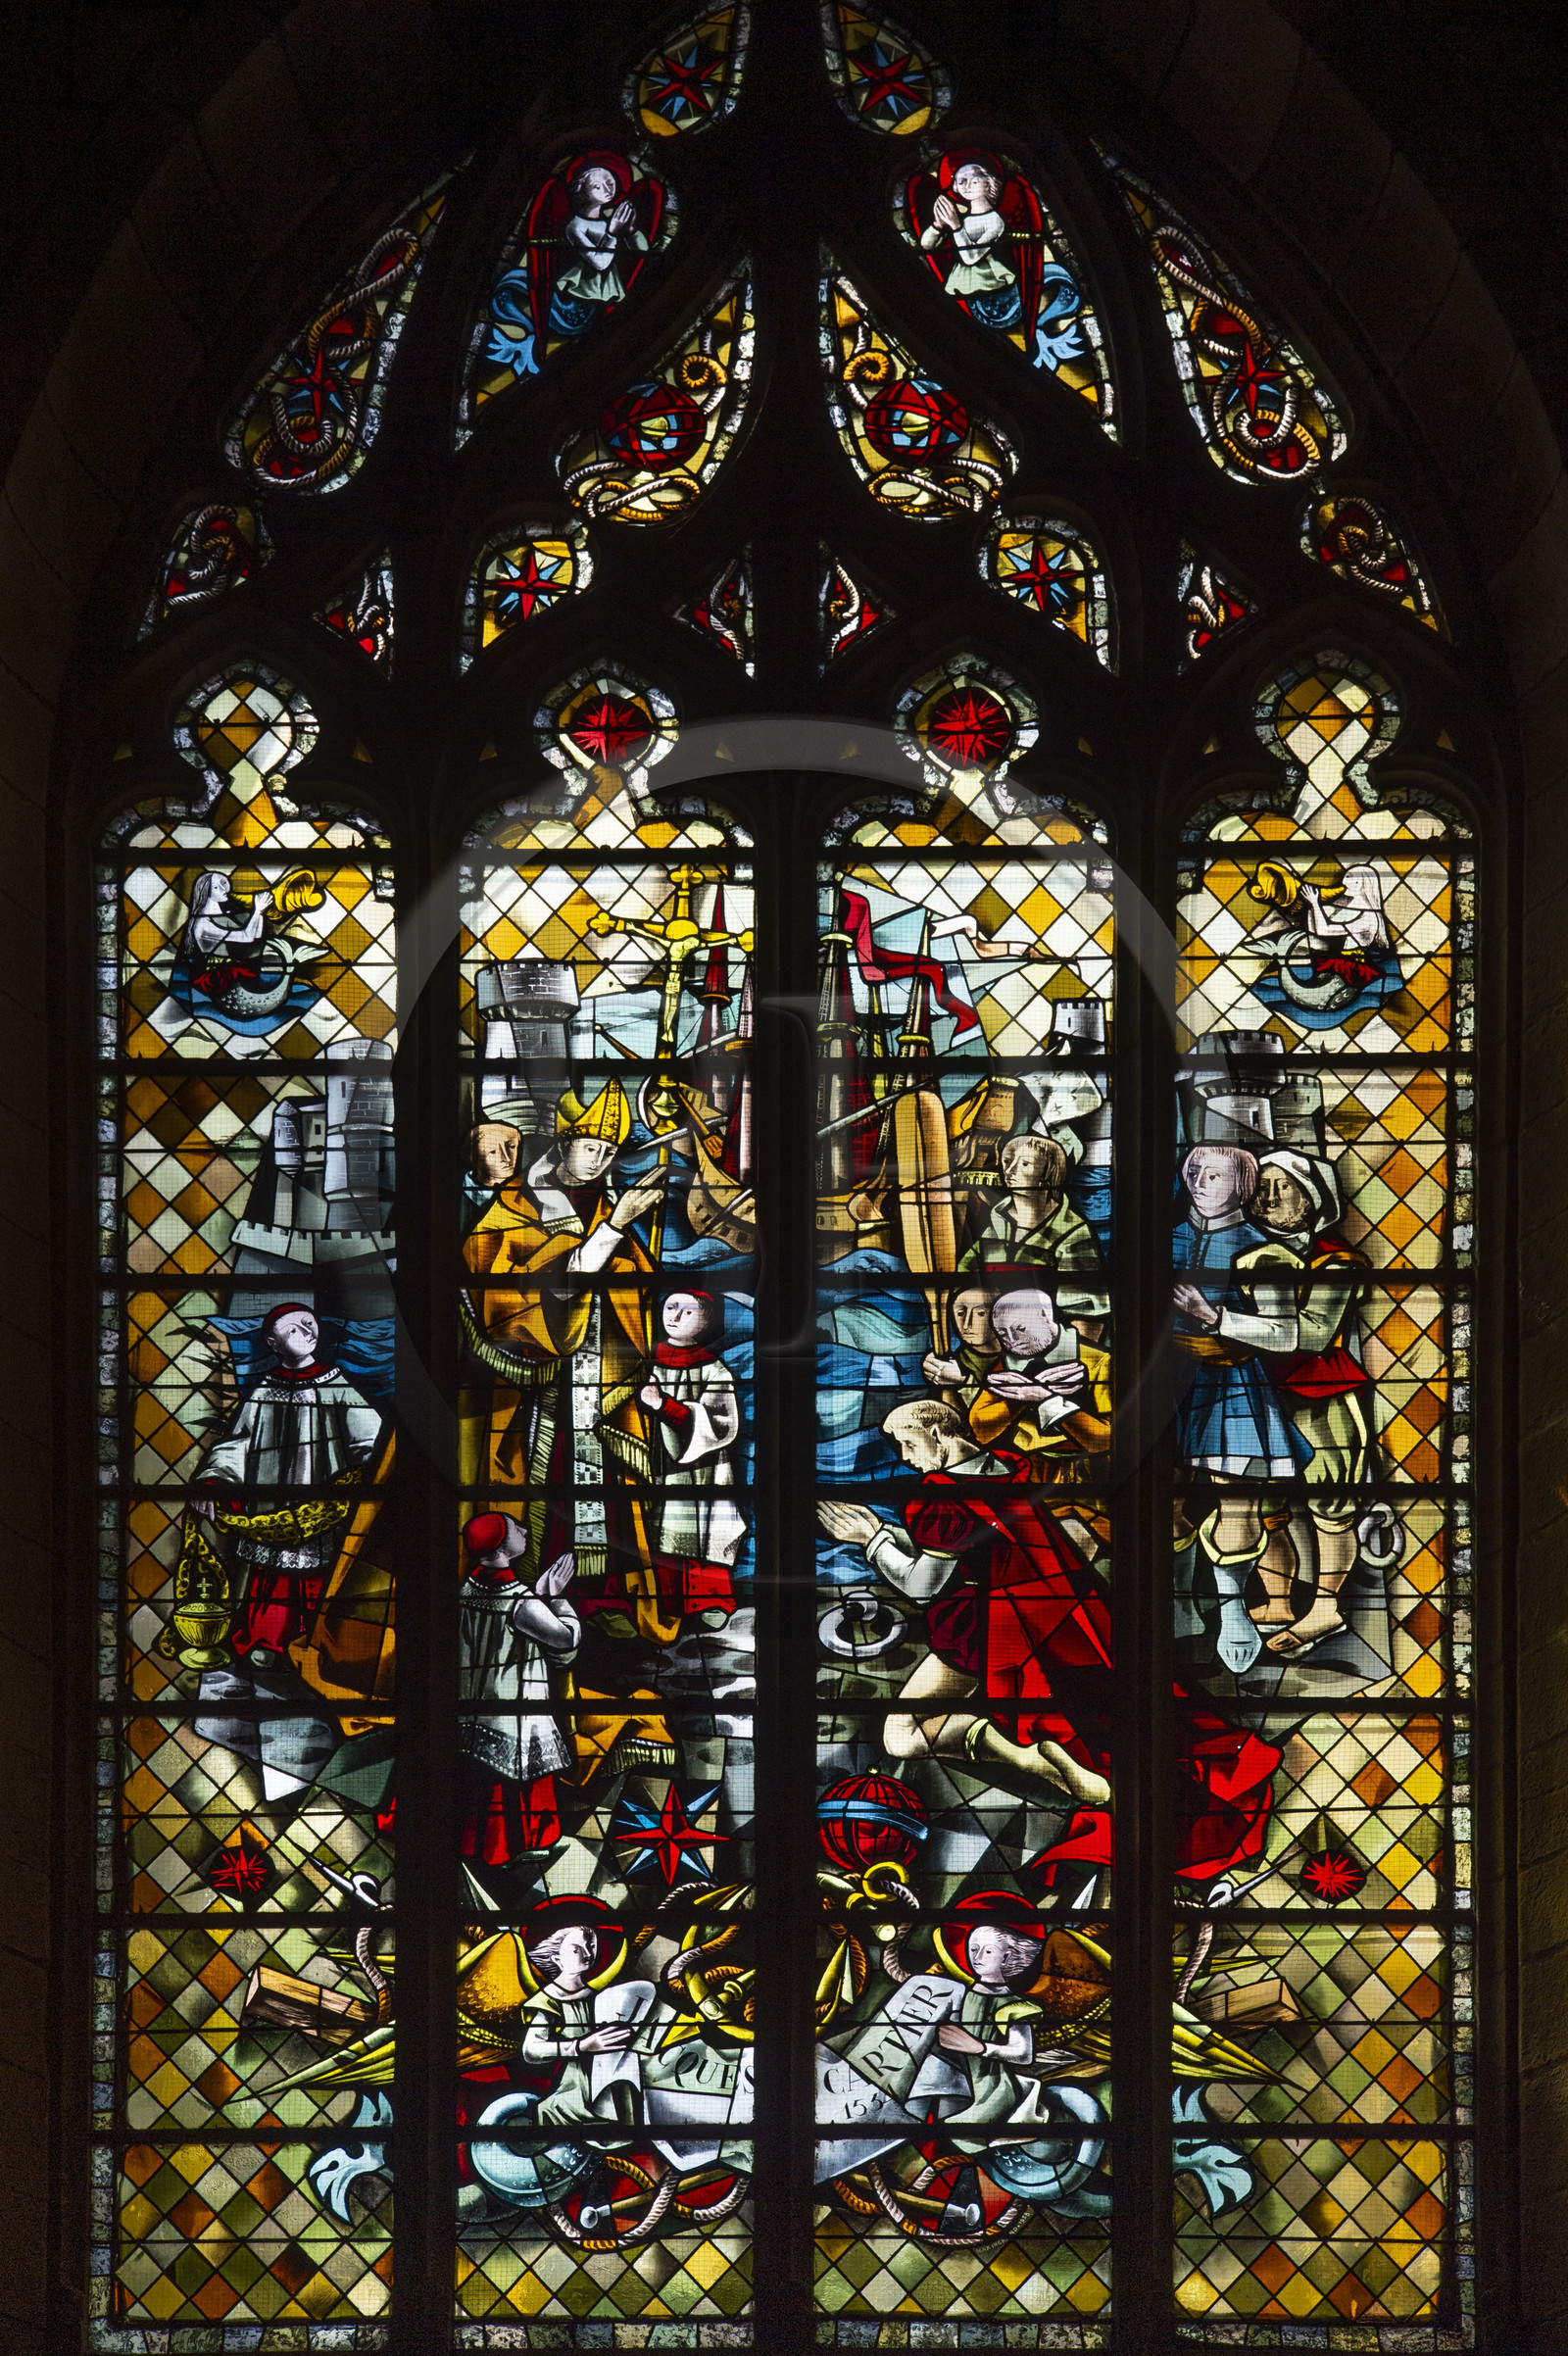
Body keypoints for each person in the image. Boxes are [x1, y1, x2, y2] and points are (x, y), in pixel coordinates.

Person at [817, 1399, 1281, 1897]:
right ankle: (1057, 1762)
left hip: (985, 1628)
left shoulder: (940, 1498)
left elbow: (925, 1587)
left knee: (902, 1735)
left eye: (910, 1444)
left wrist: (871, 1539)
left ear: (939, 1432)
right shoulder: (1010, 1467)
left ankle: (1030, 1758)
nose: (908, 1458)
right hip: (1056, 1611)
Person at [460, 1081, 673, 1642]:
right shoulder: (511, 1211)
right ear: (563, 1141)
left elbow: (632, 1285)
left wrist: (625, 1254)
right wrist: (614, 1229)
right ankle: (526, 1593)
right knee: (543, 1488)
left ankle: (597, 1598)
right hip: (530, 1390)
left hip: (596, 1379)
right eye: (591, 1148)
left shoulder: (606, 1205)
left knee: (600, 1490)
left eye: (609, 1153)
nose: (601, 1160)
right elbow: (515, 1295)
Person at [1171, 1142, 1307, 1677]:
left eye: (1215, 1175)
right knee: (1165, 1497)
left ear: (1243, 1186)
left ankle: (1233, 1612)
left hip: (1229, 1380)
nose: (1201, 1182)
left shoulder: (1260, 1248)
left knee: (1239, 1503)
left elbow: (1287, 1332)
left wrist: (1215, 1317)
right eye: (1195, 1172)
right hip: (1164, 1382)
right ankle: (1180, 1602)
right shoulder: (1163, 1239)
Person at [192, 1302, 382, 1658]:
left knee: (318, 1578)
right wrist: (214, 1479)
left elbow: (368, 1442)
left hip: (322, 1510)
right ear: (273, 1343)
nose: (309, 1333)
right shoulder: (264, 1390)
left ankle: (315, 1645)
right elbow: (239, 1442)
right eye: (295, 1329)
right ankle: (267, 1641)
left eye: (310, 1324)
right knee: (270, 1578)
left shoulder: (337, 1384)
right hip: (272, 1508)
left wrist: (364, 1476)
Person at [459, 1515, 579, 1869]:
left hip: (472, 1711)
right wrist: (555, 1599)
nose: (525, 1531)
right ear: (499, 1548)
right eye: (516, 1529)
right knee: (517, 1777)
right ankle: (520, 1846)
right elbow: (566, 1641)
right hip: (514, 1711)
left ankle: (474, 1848)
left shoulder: (465, 1592)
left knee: (478, 1783)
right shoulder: (519, 1603)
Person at [637, 1291, 745, 1623]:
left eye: (688, 1311)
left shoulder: (715, 1371)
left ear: (707, 1320)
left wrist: (662, 1405)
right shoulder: (643, 1363)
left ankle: (708, 1603)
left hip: (703, 1471)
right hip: (653, 1465)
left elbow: (721, 1426)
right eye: (670, 1307)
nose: (676, 1316)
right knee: (655, 1529)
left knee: (702, 1531)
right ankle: (664, 1606)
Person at [958, 1135, 1110, 1336]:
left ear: (1047, 1174)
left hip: (1048, 1352)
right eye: (1006, 1161)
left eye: (1025, 1164)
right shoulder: (994, 1225)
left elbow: (1087, 1316)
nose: (1010, 1170)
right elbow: (961, 1283)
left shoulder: (1071, 1233)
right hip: (990, 1344)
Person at [958, 1286, 1110, 1474]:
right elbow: (980, 1431)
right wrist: (1023, 1396)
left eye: (1020, 1329)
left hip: (1087, 1471)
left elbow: (1106, 1439)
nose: (1012, 1341)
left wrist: (1046, 1398)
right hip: (1025, 1469)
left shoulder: (1098, 1362)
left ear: (1045, 1315)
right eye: (1003, 1334)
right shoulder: (1007, 1362)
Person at [920, 159, 1021, 328]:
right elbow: (926, 246)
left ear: (988, 183)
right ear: (956, 187)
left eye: (974, 180)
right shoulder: (961, 217)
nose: (967, 186)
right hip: (960, 289)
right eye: (961, 181)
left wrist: (955, 226)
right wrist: (937, 224)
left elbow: (971, 257)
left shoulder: (995, 220)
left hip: (991, 290)